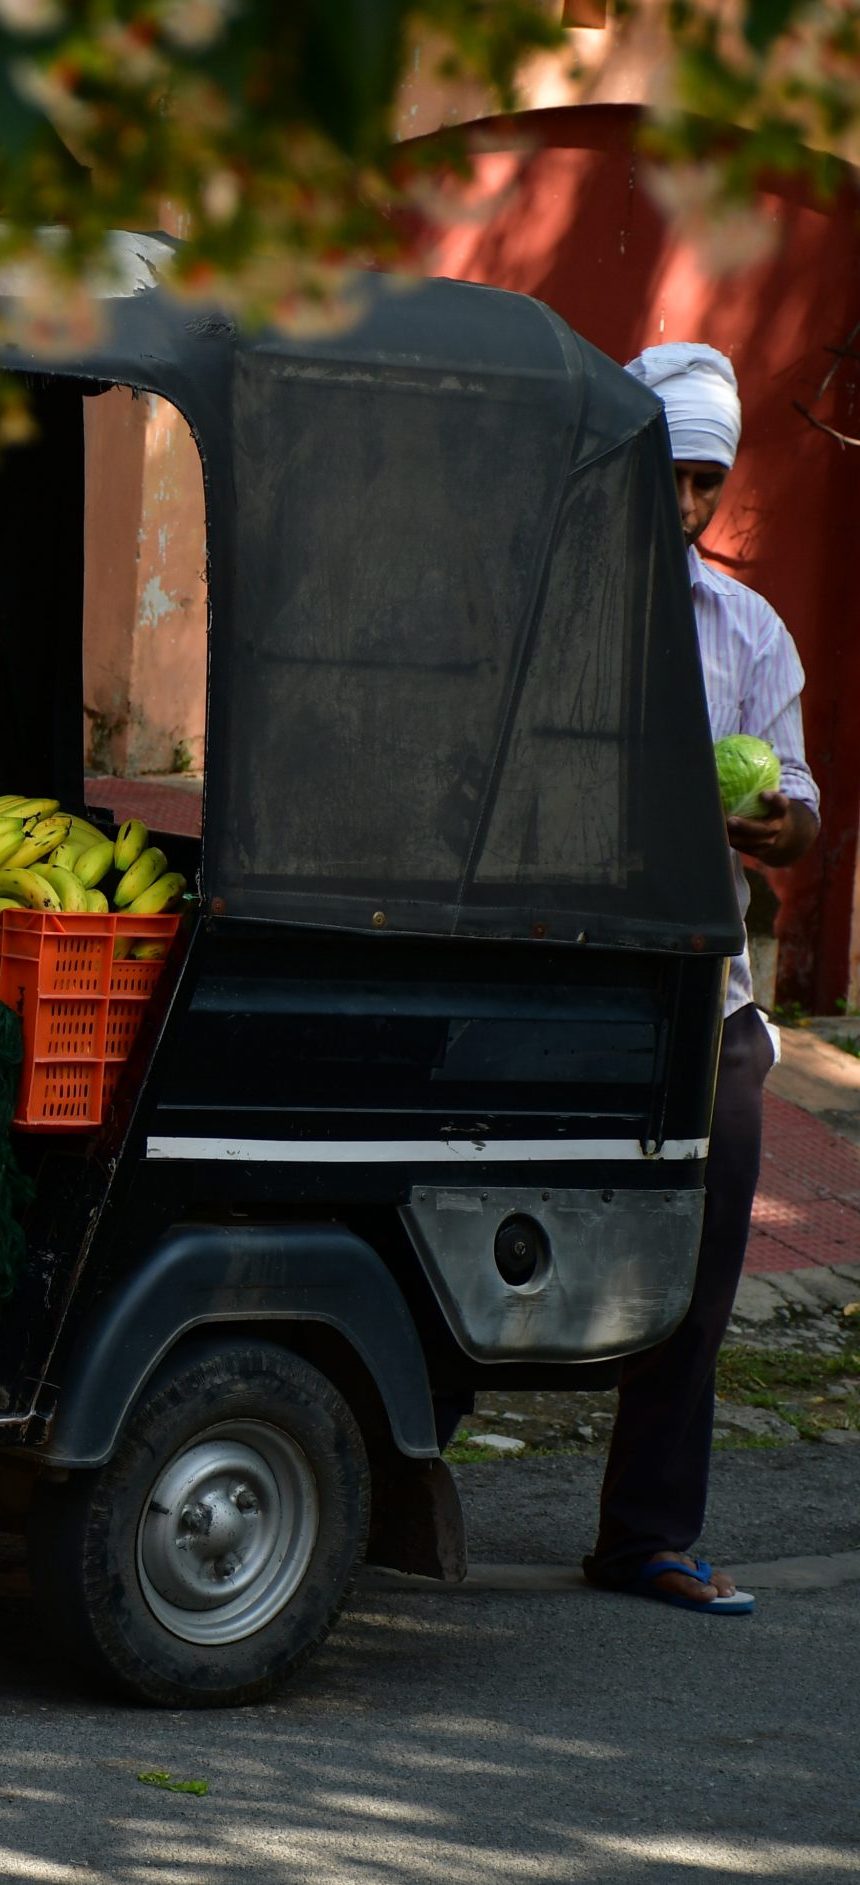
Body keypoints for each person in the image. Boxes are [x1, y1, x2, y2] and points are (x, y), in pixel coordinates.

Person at [583, 342, 819, 1615]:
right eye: (664, 475)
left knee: (700, 1266)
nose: (682, 506)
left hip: (707, 992)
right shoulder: (560, 602)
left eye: (704, 483)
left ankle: (648, 1534)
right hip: (574, 983)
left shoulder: (749, 630)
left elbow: (799, 809)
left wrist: (781, 829)